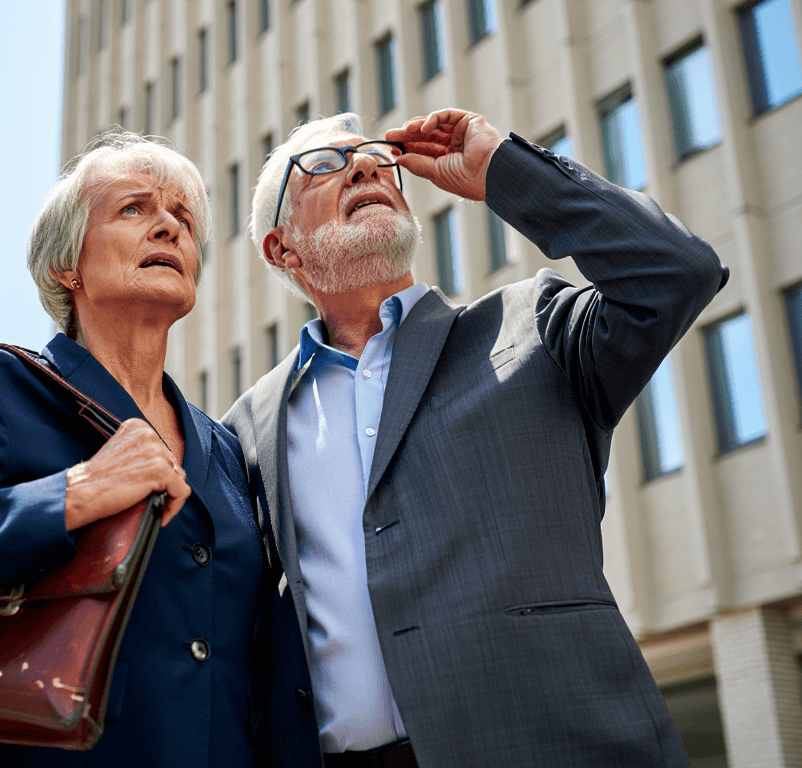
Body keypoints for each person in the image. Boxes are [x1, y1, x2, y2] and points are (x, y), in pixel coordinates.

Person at [223, 109, 728, 767]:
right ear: (283, 248)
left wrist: (504, 171)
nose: (369, 165)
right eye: (325, 164)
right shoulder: (246, 429)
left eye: (376, 158)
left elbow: (676, 273)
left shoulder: (535, 328)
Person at [0, 131, 317, 767]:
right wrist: (74, 493)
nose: (168, 226)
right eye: (133, 208)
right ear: (66, 266)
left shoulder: (222, 448)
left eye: (183, 218)